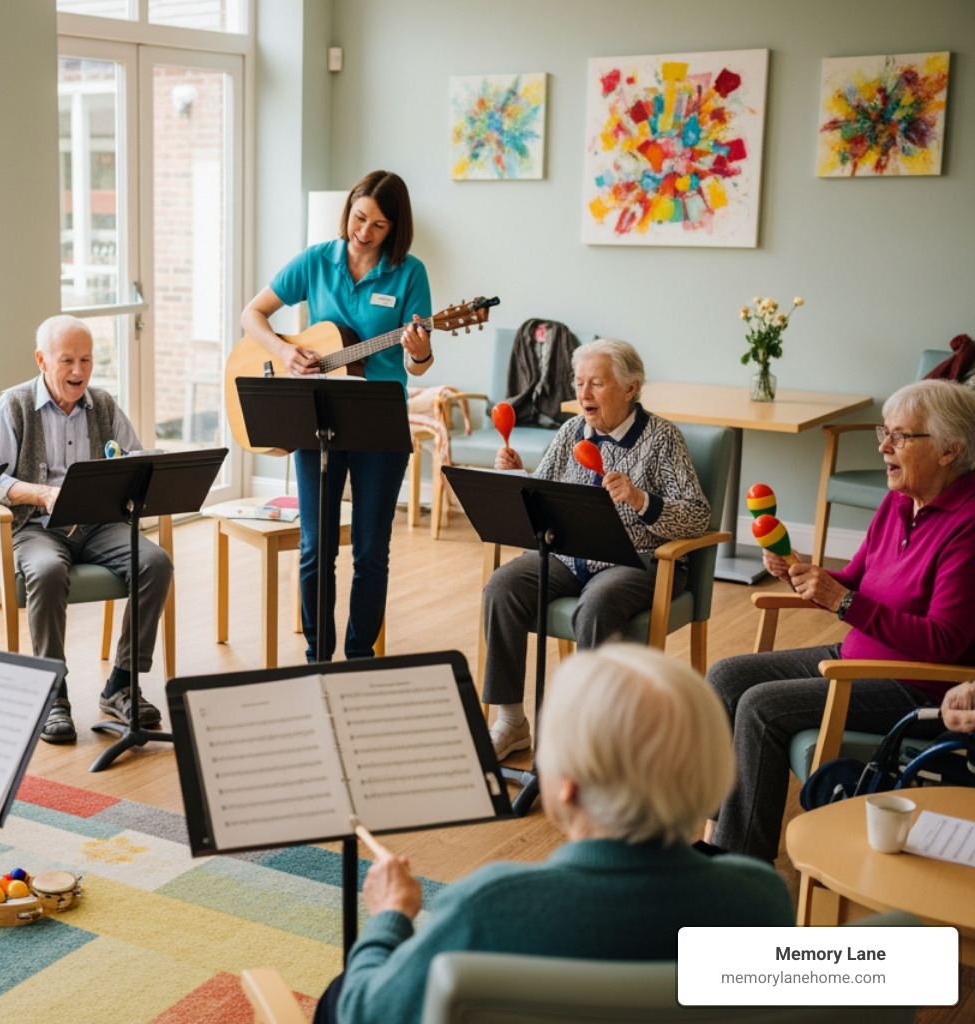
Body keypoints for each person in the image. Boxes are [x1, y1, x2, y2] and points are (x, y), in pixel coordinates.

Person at [319, 645, 793, 1024]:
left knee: (340, 993)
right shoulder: (760, 899)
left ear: (567, 785)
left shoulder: (489, 907)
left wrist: (390, 917)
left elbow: (364, 1012)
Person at [709, 379, 975, 862]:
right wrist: (802, 573)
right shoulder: (898, 502)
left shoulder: (968, 524)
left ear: (948, 450)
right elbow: (853, 581)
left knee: (762, 707)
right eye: (884, 432)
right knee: (726, 675)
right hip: (855, 660)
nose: (884, 446)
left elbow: (945, 641)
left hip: (916, 685)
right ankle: (716, 830)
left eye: (900, 436)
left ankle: (739, 866)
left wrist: (844, 601)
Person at [482, 338, 710, 758]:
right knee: (502, 586)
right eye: (579, 382)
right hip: (569, 556)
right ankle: (511, 722)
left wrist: (640, 499)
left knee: (597, 606)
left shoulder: (662, 438)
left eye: (597, 383)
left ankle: (593, 736)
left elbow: (698, 516)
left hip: (637, 560)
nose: (583, 393)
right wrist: (518, 475)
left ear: (630, 388)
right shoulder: (571, 431)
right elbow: (541, 494)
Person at [240, 170, 433, 662]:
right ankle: (317, 657)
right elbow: (251, 315)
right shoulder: (316, 260)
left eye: (379, 225)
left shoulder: (410, 273)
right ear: (349, 209)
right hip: (316, 414)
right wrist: (284, 352)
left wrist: (420, 352)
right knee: (315, 546)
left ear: (396, 229)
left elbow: (417, 365)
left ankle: (359, 656)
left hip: (379, 422)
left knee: (370, 550)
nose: (364, 232)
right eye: (359, 217)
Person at [0, 315, 173, 742]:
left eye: (86, 360)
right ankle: (53, 691)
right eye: (67, 361)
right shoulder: (14, 405)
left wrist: (140, 467)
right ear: (42, 360)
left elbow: (133, 460)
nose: (79, 371)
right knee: (46, 570)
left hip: (98, 525)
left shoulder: (103, 404)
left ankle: (122, 683)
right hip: (35, 527)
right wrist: (41, 493)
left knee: (155, 562)